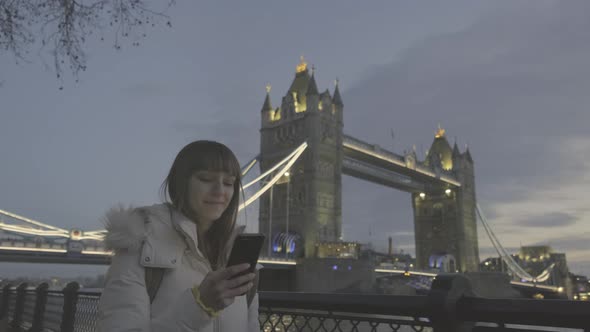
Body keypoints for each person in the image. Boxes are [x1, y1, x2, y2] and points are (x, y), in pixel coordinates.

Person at [97, 140, 261, 332]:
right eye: (206, 179)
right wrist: (200, 307)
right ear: (181, 183)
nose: (220, 192)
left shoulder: (238, 256)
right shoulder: (140, 245)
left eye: (228, 183)